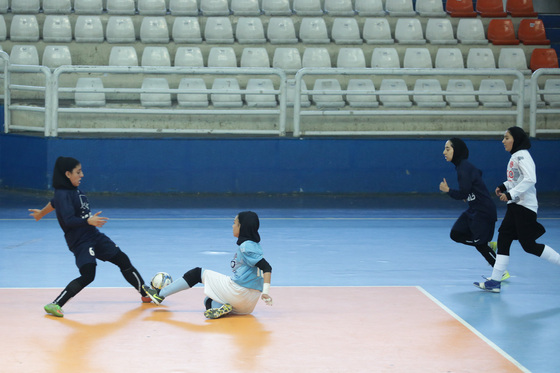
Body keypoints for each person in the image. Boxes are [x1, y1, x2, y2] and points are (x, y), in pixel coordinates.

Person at [29, 156, 151, 317]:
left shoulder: (72, 190)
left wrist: (41, 213)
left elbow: (53, 203)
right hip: (80, 240)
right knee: (88, 275)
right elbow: (68, 220)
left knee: (122, 259)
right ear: (67, 174)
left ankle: (146, 294)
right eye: (78, 172)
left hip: (93, 234)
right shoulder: (63, 193)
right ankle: (55, 304)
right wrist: (88, 220)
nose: (82, 175)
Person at [474, 127, 560, 293]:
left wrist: (510, 193)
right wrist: (504, 186)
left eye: (506, 138)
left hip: (524, 207)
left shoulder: (522, 156)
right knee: (504, 238)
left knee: (529, 245)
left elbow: (530, 179)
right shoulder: (516, 156)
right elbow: (516, 179)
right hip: (515, 206)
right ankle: (495, 281)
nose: (503, 141)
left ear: (516, 140)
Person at [143, 211, 273, 319]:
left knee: (197, 273)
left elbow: (267, 267)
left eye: (235, 223)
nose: (232, 226)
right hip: (248, 304)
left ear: (242, 227)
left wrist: (266, 292)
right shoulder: (254, 246)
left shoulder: (247, 246)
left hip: (239, 291)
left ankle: (160, 294)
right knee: (208, 300)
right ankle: (220, 308)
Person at [439, 138, 509, 281]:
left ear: (456, 150)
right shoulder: (462, 166)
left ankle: (501, 272)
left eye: (447, 149)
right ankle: (487, 244)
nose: (444, 152)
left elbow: (463, 193)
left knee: (480, 245)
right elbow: (478, 173)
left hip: (483, 212)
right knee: (456, 234)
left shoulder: (464, 167)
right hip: (473, 210)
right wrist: (472, 191)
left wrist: (448, 190)